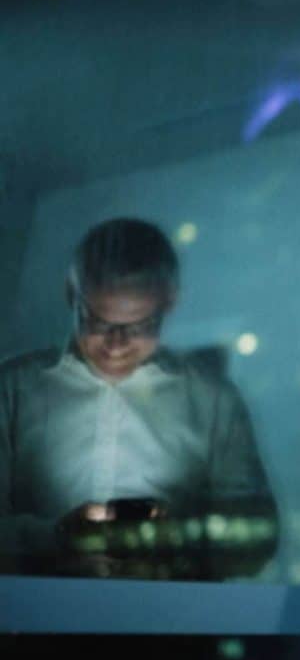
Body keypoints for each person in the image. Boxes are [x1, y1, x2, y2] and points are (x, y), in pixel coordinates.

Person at [0, 218, 277, 578]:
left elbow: (257, 542)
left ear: (170, 301)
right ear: (72, 294)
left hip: (171, 613)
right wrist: (57, 537)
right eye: (97, 322)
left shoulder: (213, 402)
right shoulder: (12, 389)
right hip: (36, 612)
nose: (116, 345)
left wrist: (177, 536)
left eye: (140, 326)